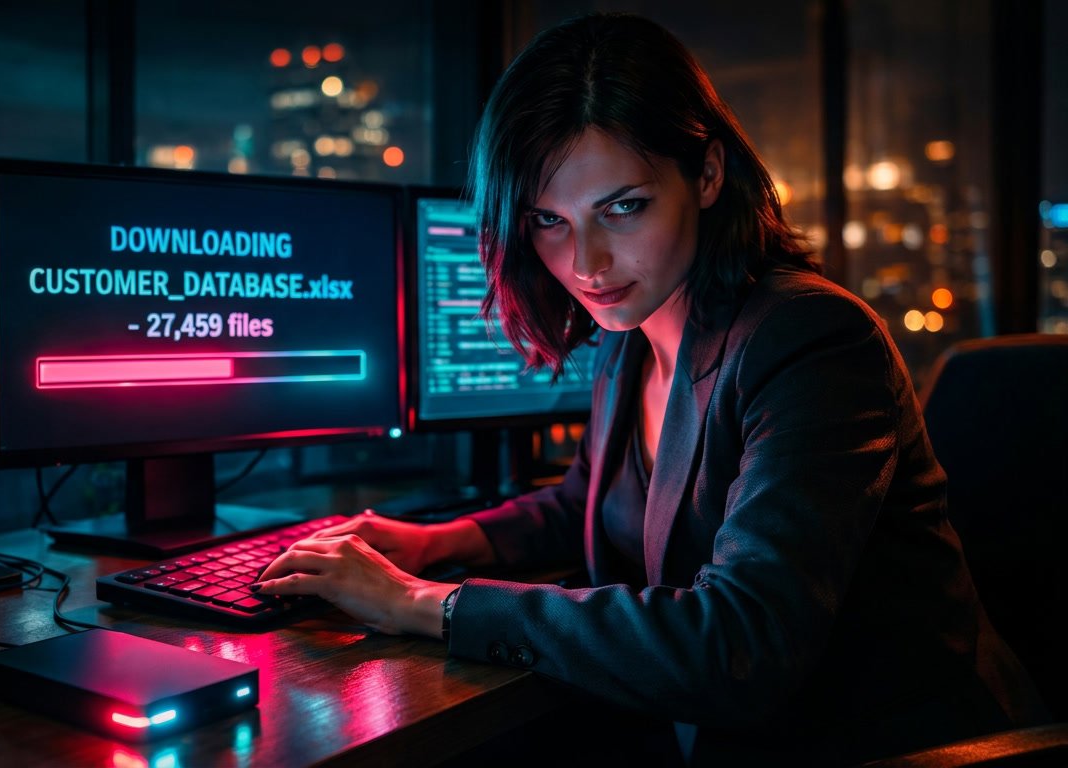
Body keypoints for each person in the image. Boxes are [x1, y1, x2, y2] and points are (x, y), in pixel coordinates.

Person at [253, 11, 1047, 765]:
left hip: (875, 752)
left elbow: (737, 643)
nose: (587, 264)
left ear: (706, 173)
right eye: (549, 221)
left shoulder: (810, 340)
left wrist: (422, 603)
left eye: (623, 209)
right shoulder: (638, 328)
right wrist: (432, 545)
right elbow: (588, 503)